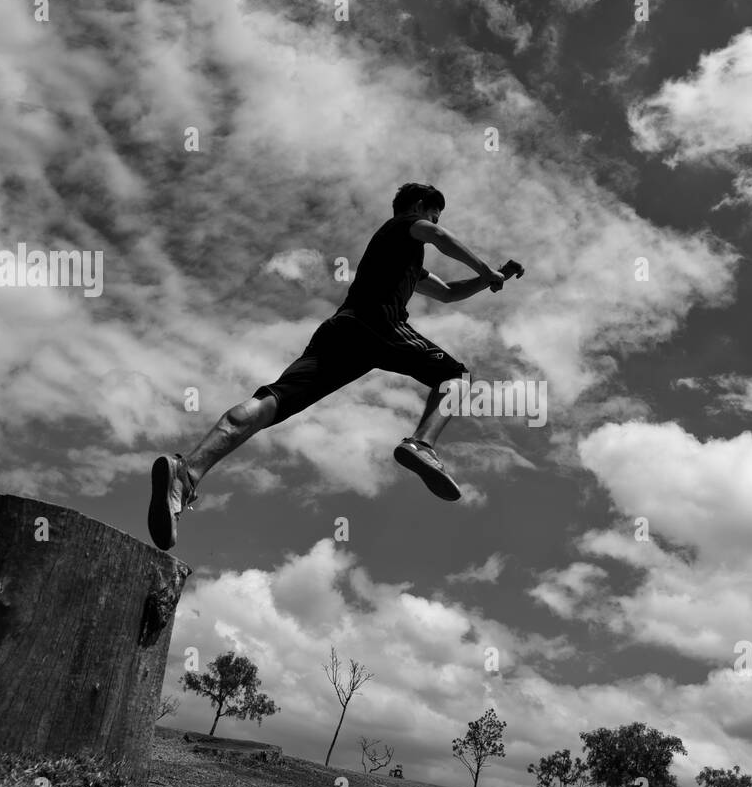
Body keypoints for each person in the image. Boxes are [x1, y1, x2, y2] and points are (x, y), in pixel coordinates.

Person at [148, 182, 507, 551]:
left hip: (342, 332)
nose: (434, 220)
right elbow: (437, 234)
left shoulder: (404, 261)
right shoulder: (405, 225)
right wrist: (483, 266)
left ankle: (187, 472)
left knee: (273, 401)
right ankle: (421, 445)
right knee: (457, 376)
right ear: (420, 206)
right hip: (378, 325)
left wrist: (491, 278)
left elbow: (448, 293)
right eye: (435, 212)